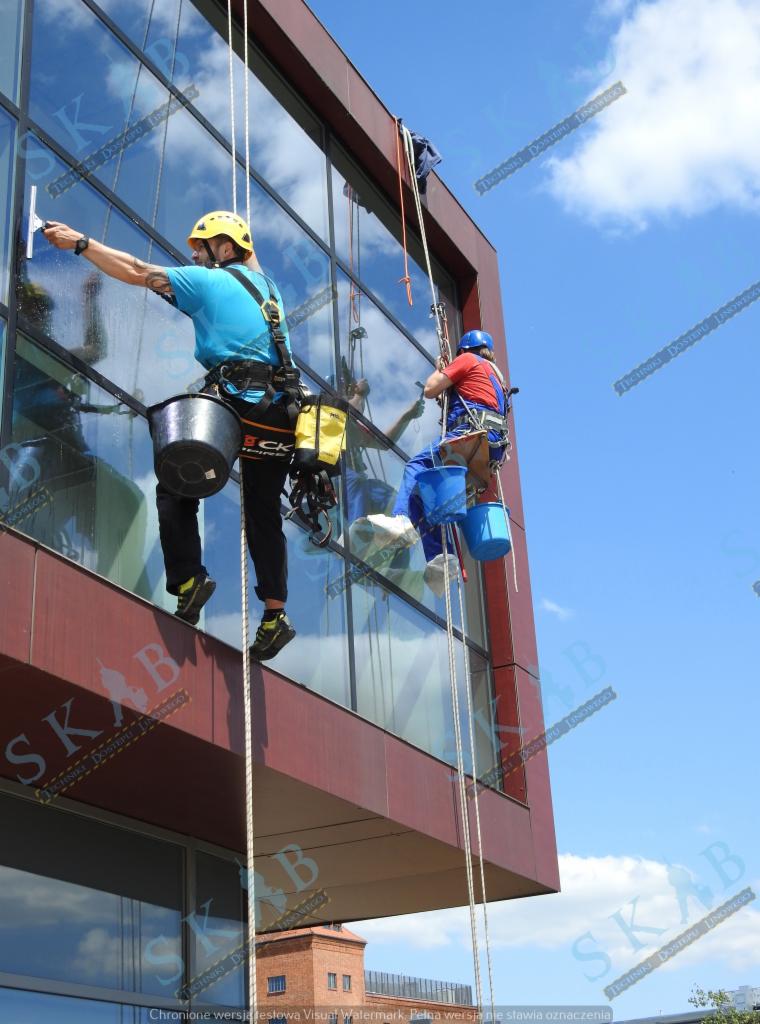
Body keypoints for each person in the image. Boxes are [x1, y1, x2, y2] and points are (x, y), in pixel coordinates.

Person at [43, 211, 300, 661]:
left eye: (201, 249)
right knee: (263, 513)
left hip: (238, 400)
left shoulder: (209, 282)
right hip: (279, 415)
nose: (194, 257)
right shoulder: (270, 292)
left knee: (176, 480)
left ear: (223, 248)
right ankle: (275, 615)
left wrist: (81, 243)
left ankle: (188, 579)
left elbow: (138, 271)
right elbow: (250, 261)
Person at [359, 330, 510, 596]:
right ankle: (443, 558)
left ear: (465, 350)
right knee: (425, 494)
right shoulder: (497, 377)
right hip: (489, 451)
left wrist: (441, 370)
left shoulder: (468, 361)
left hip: (468, 438)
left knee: (415, 466)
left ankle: (402, 520)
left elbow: (430, 390)